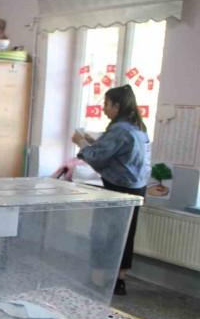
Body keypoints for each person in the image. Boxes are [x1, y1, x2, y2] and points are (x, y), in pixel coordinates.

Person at [55, 85, 151, 296]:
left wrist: (81, 143)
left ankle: (97, 281)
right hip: (138, 188)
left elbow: (98, 157)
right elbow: (117, 150)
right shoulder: (138, 127)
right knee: (126, 233)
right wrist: (93, 141)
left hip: (117, 188)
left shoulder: (119, 129)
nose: (104, 109)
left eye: (106, 104)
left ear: (117, 106)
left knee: (102, 232)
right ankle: (119, 280)